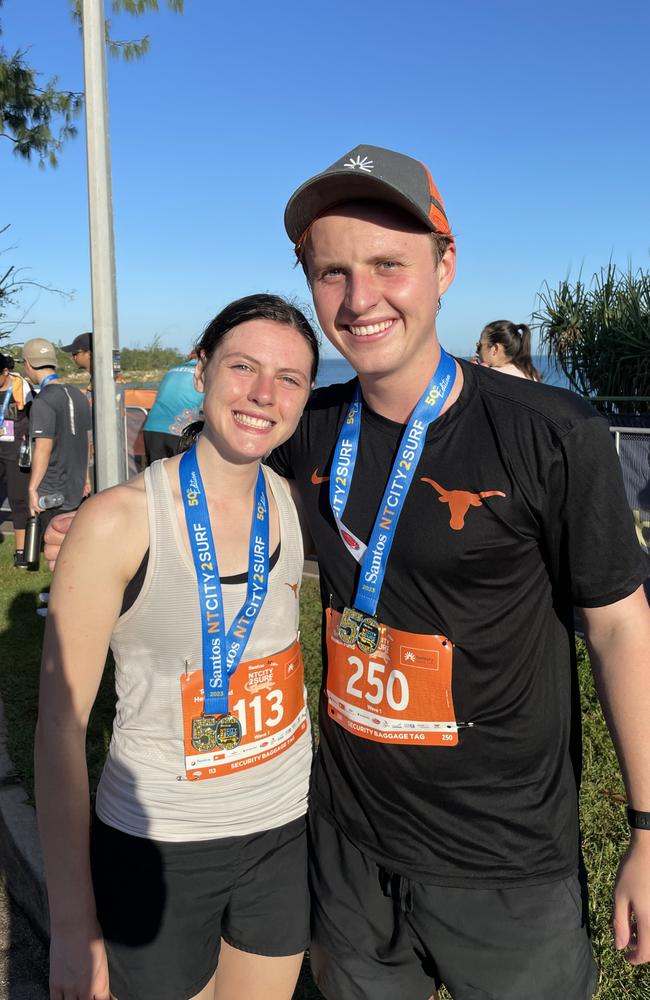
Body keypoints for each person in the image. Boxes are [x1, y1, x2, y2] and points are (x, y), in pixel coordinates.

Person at [45, 145, 650, 999]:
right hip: (347, 848)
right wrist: (102, 516)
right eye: (332, 272)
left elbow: (621, 623)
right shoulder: (312, 426)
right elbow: (218, 458)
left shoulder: (553, 432)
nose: (360, 299)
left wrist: (648, 828)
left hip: (505, 861)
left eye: (388, 264)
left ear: (445, 264)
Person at [35, 294, 319, 1000]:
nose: (263, 394)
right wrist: (73, 926)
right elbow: (60, 730)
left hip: (282, 825)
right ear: (201, 372)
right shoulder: (117, 522)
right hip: (162, 841)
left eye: (289, 379)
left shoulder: (290, 499)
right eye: (243, 367)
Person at [23, 337, 92, 610]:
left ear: (29, 364)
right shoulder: (77, 394)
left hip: (52, 485)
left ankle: (65, 604)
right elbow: (87, 441)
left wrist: (32, 488)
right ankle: (60, 594)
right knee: (71, 544)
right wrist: (86, 476)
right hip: (76, 482)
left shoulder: (43, 401)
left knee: (57, 549)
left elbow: (43, 448)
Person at [0, 351, 32, 566]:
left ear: (5, 371)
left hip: (15, 453)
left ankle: (21, 552)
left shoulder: (21, 387)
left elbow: (35, 417)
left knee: (18, 500)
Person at [143, 352, 205, 463]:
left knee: (156, 476)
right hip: (179, 430)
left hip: (152, 427)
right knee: (180, 476)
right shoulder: (204, 372)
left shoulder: (172, 370)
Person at [474, 319, 542, 379]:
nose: (477, 351)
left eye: (480, 345)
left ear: (495, 349)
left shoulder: (488, 378)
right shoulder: (531, 375)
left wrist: (473, 373)